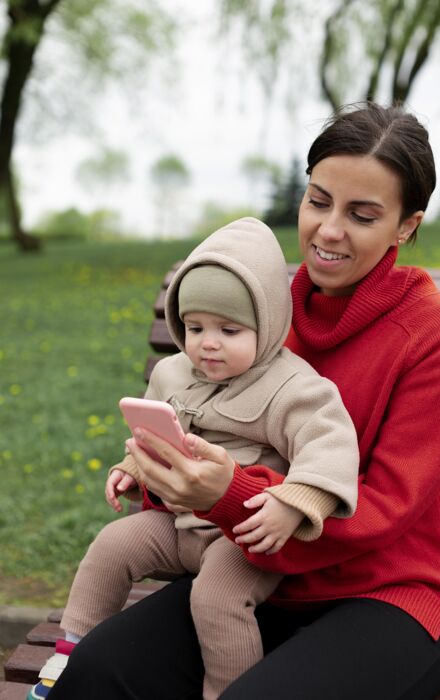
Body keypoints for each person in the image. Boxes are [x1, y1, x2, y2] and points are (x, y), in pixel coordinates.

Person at [46, 102, 440, 700]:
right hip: (257, 574)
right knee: (100, 671)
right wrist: (160, 472)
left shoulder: (439, 337)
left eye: (362, 214)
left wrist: (227, 493)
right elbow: (208, 436)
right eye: (318, 201)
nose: (329, 230)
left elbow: (381, 510)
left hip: (390, 594)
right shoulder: (255, 323)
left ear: (407, 225)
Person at [28, 217, 359, 700]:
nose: (208, 343)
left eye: (229, 329)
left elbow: (328, 445)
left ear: (267, 324)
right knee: (111, 546)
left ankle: (226, 690)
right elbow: (158, 438)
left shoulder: (296, 387)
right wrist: (133, 468)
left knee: (217, 598)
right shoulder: (173, 373)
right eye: (195, 326)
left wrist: (293, 501)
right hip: (180, 525)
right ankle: (70, 651)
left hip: (245, 536)